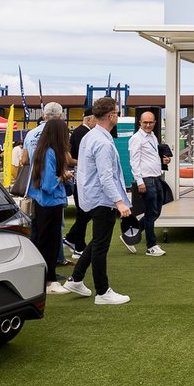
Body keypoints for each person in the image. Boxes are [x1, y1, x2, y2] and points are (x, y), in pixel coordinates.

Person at [62, 97, 133, 305]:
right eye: (117, 113)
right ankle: (102, 292)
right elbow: (106, 177)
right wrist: (119, 202)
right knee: (101, 245)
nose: (118, 116)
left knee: (97, 241)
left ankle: (76, 278)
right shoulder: (102, 141)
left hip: (91, 197)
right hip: (102, 199)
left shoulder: (92, 136)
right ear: (111, 116)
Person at [28, 118, 71, 295]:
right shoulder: (50, 153)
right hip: (49, 203)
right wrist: (63, 176)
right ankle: (49, 281)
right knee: (49, 244)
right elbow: (48, 184)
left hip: (43, 203)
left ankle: (44, 279)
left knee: (43, 241)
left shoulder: (43, 151)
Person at [127, 110, 169, 257]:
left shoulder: (153, 137)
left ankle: (130, 234)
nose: (148, 125)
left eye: (151, 122)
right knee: (151, 213)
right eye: (145, 122)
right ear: (140, 122)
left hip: (156, 177)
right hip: (146, 179)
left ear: (155, 122)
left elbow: (152, 155)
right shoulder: (136, 138)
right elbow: (134, 161)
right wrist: (139, 181)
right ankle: (151, 246)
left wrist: (163, 161)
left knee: (155, 211)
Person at [64, 112, 98, 258]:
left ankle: (72, 239)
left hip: (81, 176)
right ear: (89, 120)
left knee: (84, 212)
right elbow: (75, 157)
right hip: (82, 177)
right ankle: (78, 244)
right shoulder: (83, 133)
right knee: (84, 212)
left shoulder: (81, 132)